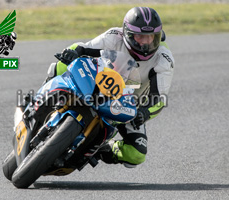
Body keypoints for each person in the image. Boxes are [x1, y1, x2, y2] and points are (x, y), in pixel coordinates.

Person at [44, 7, 174, 168]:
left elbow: (159, 98)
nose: (146, 43)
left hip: (128, 107)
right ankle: (42, 101)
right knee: (60, 66)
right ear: (128, 34)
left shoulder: (164, 58)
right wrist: (71, 52)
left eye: (151, 37)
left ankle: (104, 148)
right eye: (140, 37)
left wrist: (144, 113)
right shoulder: (114, 36)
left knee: (137, 155)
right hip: (96, 84)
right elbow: (83, 48)